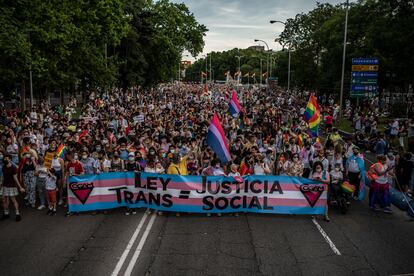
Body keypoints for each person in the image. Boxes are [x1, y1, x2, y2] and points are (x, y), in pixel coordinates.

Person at [1, 154, 25, 221]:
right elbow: (3, 177)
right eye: (4, 158)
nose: (5, 159)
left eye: (6, 158)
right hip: (5, 186)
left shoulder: (13, 168)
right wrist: (1, 185)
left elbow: (15, 178)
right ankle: (6, 213)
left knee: (13, 200)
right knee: (4, 200)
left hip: (11, 186)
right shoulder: (4, 167)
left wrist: (20, 187)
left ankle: (17, 214)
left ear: (10, 159)